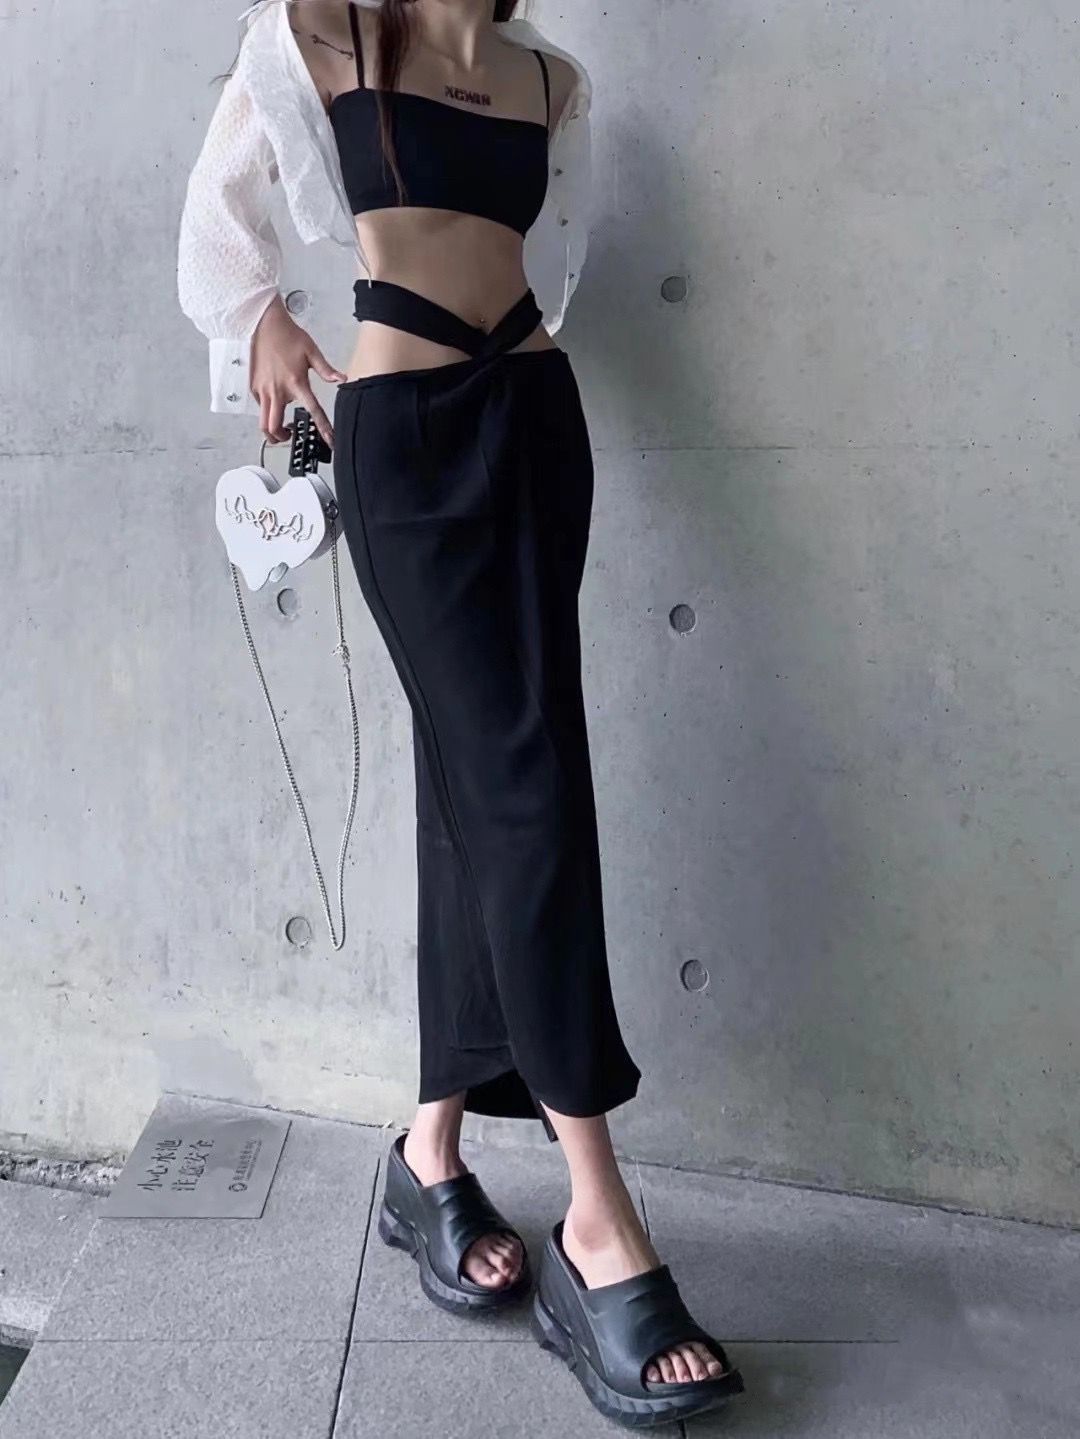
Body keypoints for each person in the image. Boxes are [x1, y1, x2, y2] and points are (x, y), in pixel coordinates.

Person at [177, 1, 743, 1425]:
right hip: (409, 444)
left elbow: (553, 262)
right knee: (525, 794)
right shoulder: (316, 32)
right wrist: (260, 320)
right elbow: (216, 212)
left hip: (537, 425)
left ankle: (428, 1157)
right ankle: (599, 1222)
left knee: (473, 795)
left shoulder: (554, 79)